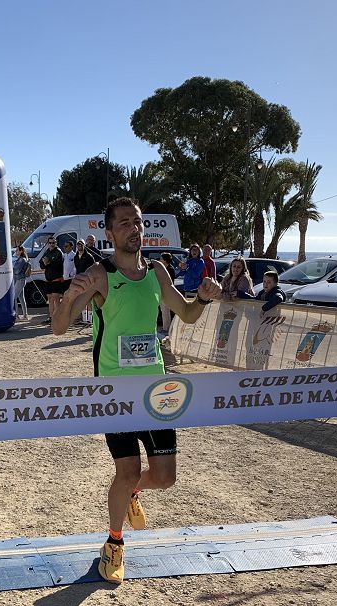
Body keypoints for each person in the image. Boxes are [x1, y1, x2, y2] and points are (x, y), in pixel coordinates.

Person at [51, 197, 222, 585]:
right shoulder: (99, 274)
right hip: (116, 394)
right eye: (125, 223)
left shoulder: (157, 272)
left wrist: (203, 299)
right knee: (125, 471)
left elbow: (188, 315)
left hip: (158, 391)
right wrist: (69, 296)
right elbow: (59, 328)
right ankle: (113, 545)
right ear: (109, 233)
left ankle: (131, 493)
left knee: (165, 477)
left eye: (139, 222)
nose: (135, 229)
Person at [39, 237, 65, 322]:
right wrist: (45, 264)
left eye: (53, 243)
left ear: (56, 243)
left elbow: (58, 265)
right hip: (48, 279)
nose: (51, 244)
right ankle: (51, 317)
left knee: (56, 298)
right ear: (48, 243)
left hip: (56, 279)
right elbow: (41, 263)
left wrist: (48, 263)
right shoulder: (46, 252)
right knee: (50, 298)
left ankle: (58, 317)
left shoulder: (58, 252)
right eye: (50, 243)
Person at [158, 252, 177, 335]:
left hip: (167, 293)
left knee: (166, 310)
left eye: (161, 259)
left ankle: (167, 328)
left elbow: (169, 282)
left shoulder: (170, 269)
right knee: (163, 310)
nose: (159, 260)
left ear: (165, 260)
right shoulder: (163, 268)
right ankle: (165, 327)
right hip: (161, 292)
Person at [13, 245, 31, 320]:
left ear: (21, 251)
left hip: (20, 280)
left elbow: (17, 270)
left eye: (17, 250)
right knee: (21, 298)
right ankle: (25, 315)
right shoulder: (21, 259)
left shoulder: (21, 260)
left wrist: (12, 267)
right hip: (20, 280)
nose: (15, 251)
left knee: (14, 298)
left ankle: (16, 315)